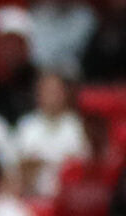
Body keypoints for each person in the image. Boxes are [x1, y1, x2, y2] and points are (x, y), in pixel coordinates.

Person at [12, 72, 94, 201]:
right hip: (34, 197)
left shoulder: (77, 126)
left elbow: (87, 164)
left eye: (55, 90)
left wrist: (45, 161)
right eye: (46, 91)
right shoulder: (26, 126)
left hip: (70, 200)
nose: (51, 96)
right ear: (38, 95)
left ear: (65, 93)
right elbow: (18, 168)